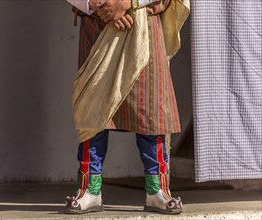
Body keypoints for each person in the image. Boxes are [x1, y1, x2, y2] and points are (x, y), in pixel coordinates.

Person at [65, 0, 188, 215]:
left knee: (151, 111)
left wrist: (127, 3)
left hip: (144, 28)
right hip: (97, 25)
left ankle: (156, 190)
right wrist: (94, 4)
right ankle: (90, 190)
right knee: (93, 108)